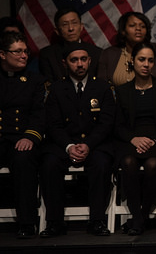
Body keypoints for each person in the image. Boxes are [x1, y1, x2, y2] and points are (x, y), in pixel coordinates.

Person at [40, 43, 115, 237]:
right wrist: (69, 146)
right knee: (49, 164)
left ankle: (97, 220)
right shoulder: (57, 89)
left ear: (90, 61)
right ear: (65, 63)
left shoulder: (102, 87)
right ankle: (54, 222)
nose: (79, 64)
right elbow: (53, 125)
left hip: (94, 143)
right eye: (74, 60)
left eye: (83, 59)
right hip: (64, 144)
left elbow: (106, 123)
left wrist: (88, 144)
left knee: (102, 163)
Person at [114, 42, 156, 235]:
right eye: (142, 59)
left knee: (152, 164)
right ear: (132, 61)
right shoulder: (122, 90)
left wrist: (153, 139)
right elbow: (117, 126)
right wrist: (134, 139)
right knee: (128, 161)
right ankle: (139, 217)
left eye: (150, 60)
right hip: (131, 141)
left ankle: (138, 218)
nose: (146, 64)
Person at [0, 32, 45, 238]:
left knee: (24, 162)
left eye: (25, 51)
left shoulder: (34, 81)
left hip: (22, 137)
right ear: (2, 54)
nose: (24, 55)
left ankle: (27, 223)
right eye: (17, 51)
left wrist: (30, 136)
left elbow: (39, 113)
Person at [98, 11, 156, 86]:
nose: (138, 29)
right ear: (123, 31)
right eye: (132, 25)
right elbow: (101, 85)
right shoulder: (109, 54)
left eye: (142, 26)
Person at [39, 7, 102, 82]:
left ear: (81, 26)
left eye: (74, 23)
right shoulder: (48, 55)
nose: (71, 28)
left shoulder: (96, 53)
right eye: (65, 25)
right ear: (57, 31)